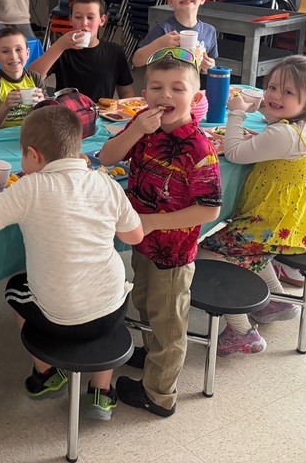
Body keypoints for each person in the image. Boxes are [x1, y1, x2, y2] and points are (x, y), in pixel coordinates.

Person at [0, 106, 144, 415]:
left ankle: (47, 372)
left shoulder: (31, 187)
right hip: (113, 310)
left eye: (22, 156)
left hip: (60, 320)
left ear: (34, 156)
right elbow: (135, 236)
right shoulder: (104, 183)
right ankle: (102, 392)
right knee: (108, 293)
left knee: (15, 290)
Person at [99, 49, 221, 417]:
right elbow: (106, 157)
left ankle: (160, 394)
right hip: (143, 241)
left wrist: (151, 222)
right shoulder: (144, 128)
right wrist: (136, 128)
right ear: (144, 92)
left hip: (174, 251)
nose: (164, 96)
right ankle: (152, 358)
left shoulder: (199, 147)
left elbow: (210, 208)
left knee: (169, 323)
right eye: (155, 87)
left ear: (196, 97)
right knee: (146, 303)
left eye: (176, 88)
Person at [200, 55, 306, 355]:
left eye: (287, 92)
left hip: (270, 225)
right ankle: (274, 299)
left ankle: (241, 330)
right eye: (272, 87)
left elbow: (233, 153)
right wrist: (258, 133)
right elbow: (277, 144)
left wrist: (236, 114)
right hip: (295, 221)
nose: (274, 96)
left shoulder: (283, 133)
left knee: (204, 253)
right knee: (250, 250)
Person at [28, 0, 135, 101]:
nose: (84, 23)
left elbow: (126, 91)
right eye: (78, 17)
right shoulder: (62, 50)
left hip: (101, 114)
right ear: (70, 19)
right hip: (67, 113)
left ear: (102, 20)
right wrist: (59, 46)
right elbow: (30, 78)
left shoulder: (114, 52)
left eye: (90, 18)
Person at [133, 0, 217, 70]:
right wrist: (160, 44)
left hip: (195, 84)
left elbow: (208, 64)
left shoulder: (209, 31)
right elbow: (137, 60)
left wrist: (210, 67)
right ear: (170, 2)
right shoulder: (163, 29)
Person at [0, 27, 46, 131]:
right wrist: (6, 106)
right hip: (2, 137)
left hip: (32, 133)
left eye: (18, 50)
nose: (13, 56)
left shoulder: (35, 78)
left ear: (27, 53)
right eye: (5, 51)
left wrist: (43, 104)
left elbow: (50, 117)